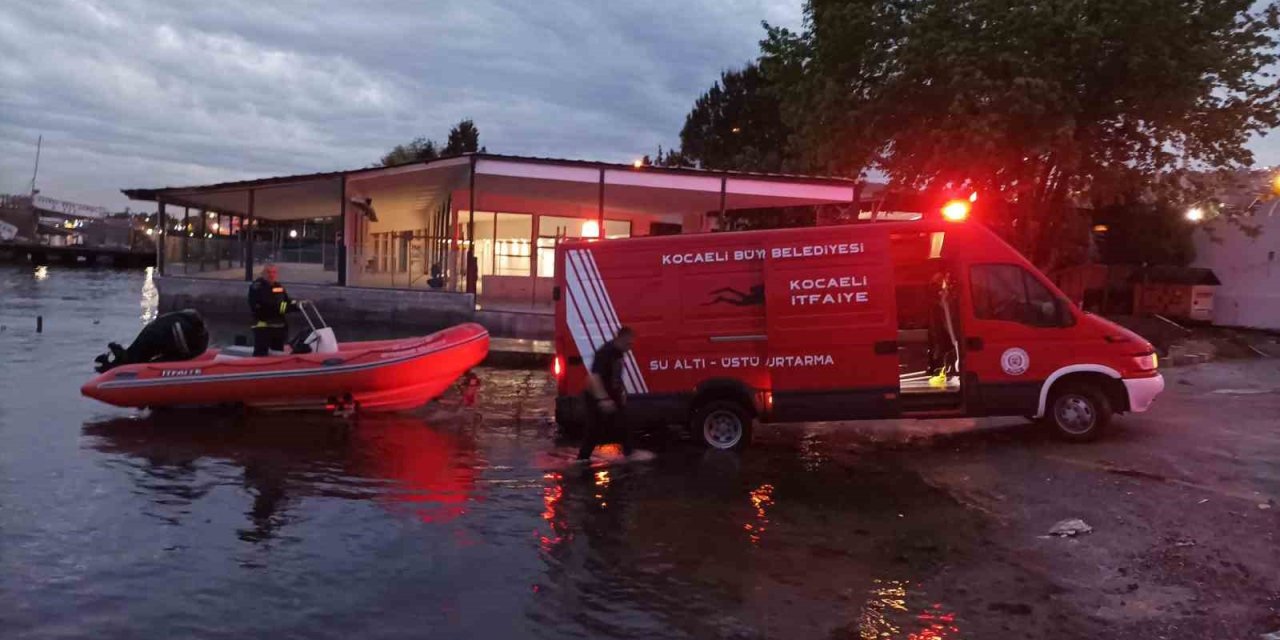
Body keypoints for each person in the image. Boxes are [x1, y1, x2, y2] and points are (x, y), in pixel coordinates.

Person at [577, 327, 651, 462]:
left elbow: (614, 375)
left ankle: (629, 453)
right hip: (596, 396)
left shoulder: (619, 353)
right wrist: (603, 399)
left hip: (611, 395)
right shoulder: (605, 352)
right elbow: (594, 378)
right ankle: (582, 460)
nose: (630, 347)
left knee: (623, 423)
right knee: (594, 429)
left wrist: (621, 391)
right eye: (629, 344)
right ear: (621, 339)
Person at [248, 264, 297, 356]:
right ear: (263, 274)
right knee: (261, 353)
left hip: (278, 326)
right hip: (263, 327)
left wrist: (296, 305)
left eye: (274, 272)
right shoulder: (258, 287)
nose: (271, 275)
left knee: (277, 352)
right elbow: (270, 305)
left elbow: (285, 300)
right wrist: (287, 307)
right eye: (268, 272)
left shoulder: (278, 286)